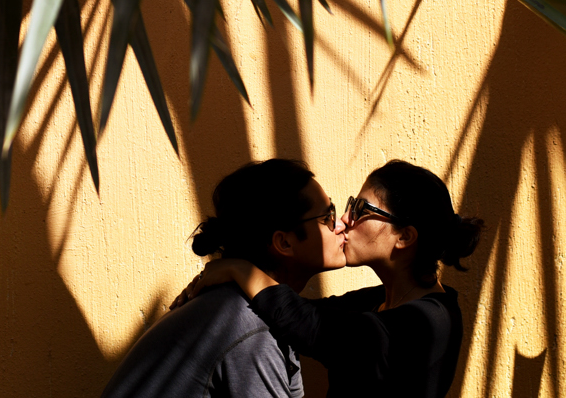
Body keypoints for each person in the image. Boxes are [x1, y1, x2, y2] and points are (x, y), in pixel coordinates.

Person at [181, 159, 483, 398]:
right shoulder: (379, 301)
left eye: (360, 210)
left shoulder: (426, 323)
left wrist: (237, 269)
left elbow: (309, 324)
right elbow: (300, 311)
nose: (343, 221)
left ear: (404, 236)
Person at [100, 158, 346, 398]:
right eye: (327, 218)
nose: (340, 226)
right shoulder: (251, 327)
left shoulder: (271, 313)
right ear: (283, 242)